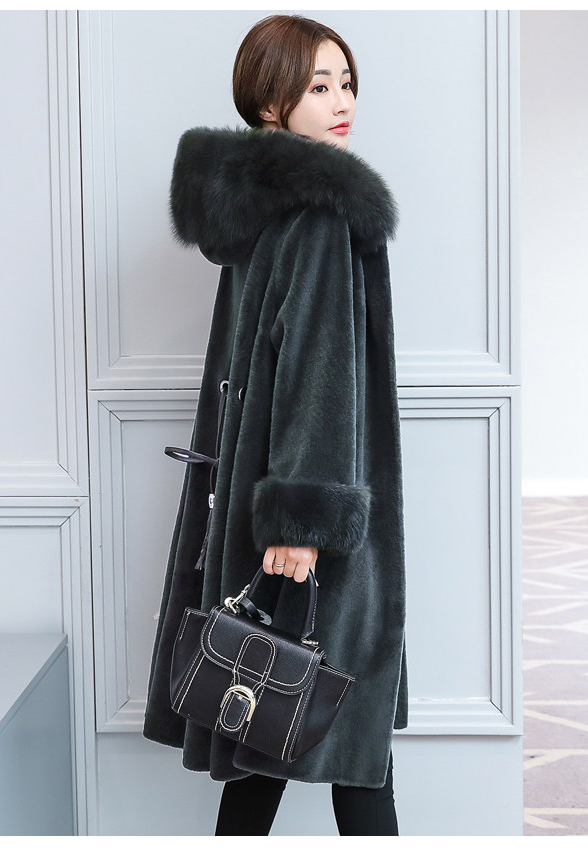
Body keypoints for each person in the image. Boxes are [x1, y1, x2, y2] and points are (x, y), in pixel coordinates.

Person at [142, 13, 408, 836]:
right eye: (319, 85)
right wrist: (302, 525)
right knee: (334, 739)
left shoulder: (265, 214)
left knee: (274, 729)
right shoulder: (321, 215)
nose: (342, 101)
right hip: (310, 529)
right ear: (269, 104)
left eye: (347, 82)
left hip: (263, 504)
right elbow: (316, 373)